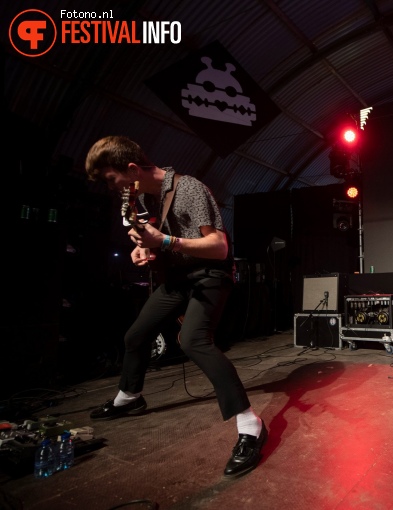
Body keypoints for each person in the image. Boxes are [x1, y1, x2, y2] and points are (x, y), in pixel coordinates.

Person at [84, 136, 266, 478]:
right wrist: (145, 249)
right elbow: (154, 242)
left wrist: (165, 240)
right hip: (179, 277)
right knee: (136, 335)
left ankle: (250, 424)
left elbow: (219, 247)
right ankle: (130, 396)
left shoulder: (189, 188)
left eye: (112, 179)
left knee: (193, 340)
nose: (112, 188)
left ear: (133, 169)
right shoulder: (143, 197)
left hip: (210, 273)